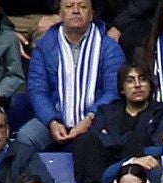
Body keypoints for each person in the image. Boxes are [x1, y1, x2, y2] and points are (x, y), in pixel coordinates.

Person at [21, 0, 124, 153]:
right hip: (55, 116)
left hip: (97, 119)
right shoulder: (44, 46)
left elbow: (112, 91)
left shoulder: (110, 47)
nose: (76, 11)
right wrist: (52, 121)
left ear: (91, 15)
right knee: (25, 137)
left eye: (82, 7)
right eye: (69, 6)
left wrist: (90, 119)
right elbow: (38, 91)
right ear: (60, 15)